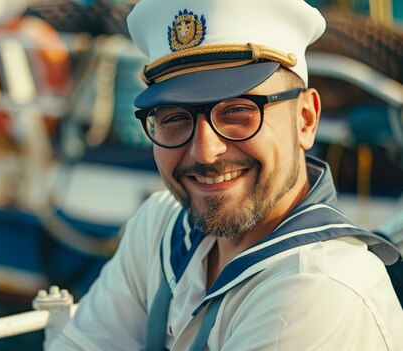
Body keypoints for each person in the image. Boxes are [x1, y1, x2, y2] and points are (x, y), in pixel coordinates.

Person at [49, 0, 403, 350]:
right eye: (173, 116)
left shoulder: (320, 288)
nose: (205, 151)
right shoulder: (160, 226)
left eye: (237, 111)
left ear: (306, 119)